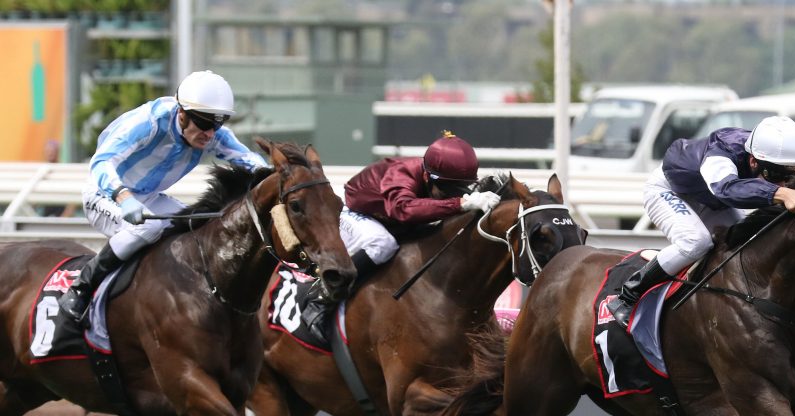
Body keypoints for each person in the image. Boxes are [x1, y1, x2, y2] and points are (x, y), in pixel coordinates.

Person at [58, 70, 268, 323]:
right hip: (104, 193)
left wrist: (279, 176)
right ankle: (81, 288)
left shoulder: (210, 133)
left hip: (148, 196)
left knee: (196, 225)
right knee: (148, 228)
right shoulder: (149, 122)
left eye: (218, 124)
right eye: (204, 124)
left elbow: (249, 161)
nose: (210, 134)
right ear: (182, 114)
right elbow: (102, 161)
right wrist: (124, 197)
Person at [607, 115, 795, 328]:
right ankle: (627, 296)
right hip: (671, 191)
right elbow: (725, 189)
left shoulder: (766, 155)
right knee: (696, 242)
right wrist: (782, 194)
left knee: (748, 241)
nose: (783, 183)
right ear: (753, 161)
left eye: (790, 175)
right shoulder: (723, 151)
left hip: (711, 199)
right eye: (776, 174)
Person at [300, 131, 501, 343]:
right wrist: (459, 203)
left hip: (389, 220)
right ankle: (319, 298)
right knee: (383, 244)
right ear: (427, 176)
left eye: (458, 188)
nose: (452, 193)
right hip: (355, 213)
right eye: (446, 188)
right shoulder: (401, 173)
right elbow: (402, 209)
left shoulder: (436, 179)